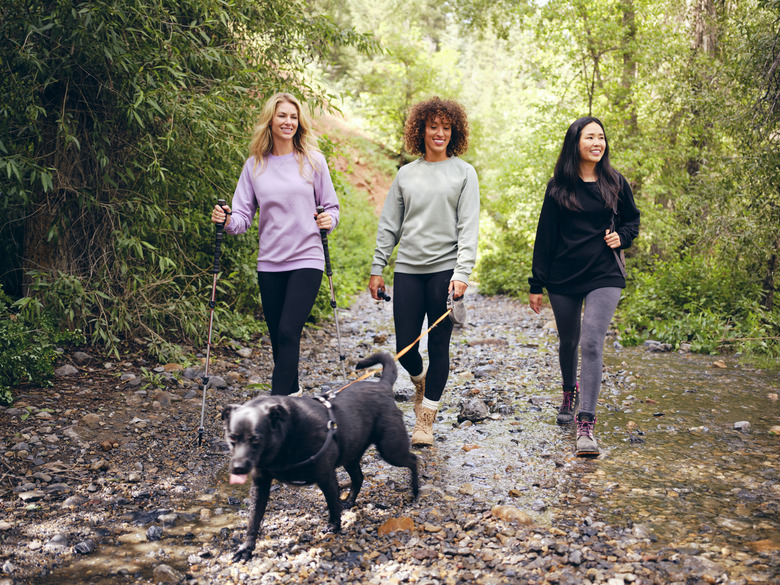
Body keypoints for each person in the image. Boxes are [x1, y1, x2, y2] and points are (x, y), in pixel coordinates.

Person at [211, 92, 339, 396]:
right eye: (282, 115)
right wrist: (226, 219)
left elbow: (331, 208)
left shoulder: (313, 161)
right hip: (270, 262)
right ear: (271, 120)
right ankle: (293, 398)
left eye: (294, 117)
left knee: (287, 331)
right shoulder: (254, 166)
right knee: (278, 337)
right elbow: (242, 217)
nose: (288, 122)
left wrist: (328, 221)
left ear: (300, 122)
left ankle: (276, 406)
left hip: (307, 258)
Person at [368, 97, 480, 446]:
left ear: (455, 132)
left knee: (440, 345)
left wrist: (462, 273)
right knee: (405, 348)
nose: (440, 133)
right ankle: (420, 381)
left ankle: (425, 421)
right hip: (408, 270)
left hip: (445, 272)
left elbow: (469, 227)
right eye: (433, 126)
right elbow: (389, 225)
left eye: (447, 128)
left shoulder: (464, 173)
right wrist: (377, 267)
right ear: (421, 129)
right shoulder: (406, 174)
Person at [528, 116, 640, 457]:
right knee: (569, 340)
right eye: (590, 136)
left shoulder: (615, 182)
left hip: (605, 272)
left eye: (601, 137)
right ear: (575, 141)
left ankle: (586, 424)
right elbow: (545, 237)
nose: (597, 142)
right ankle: (568, 391)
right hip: (563, 276)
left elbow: (632, 220)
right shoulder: (558, 187)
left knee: (591, 341)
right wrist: (537, 283)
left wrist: (622, 236)